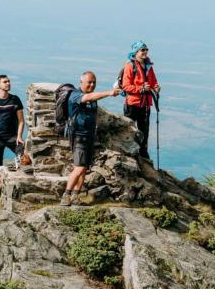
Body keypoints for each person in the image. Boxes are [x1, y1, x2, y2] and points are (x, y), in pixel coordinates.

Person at [60, 71, 120, 206]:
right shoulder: (75, 95)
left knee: (85, 168)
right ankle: (66, 195)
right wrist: (109, 93)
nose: (92, 85)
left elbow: (92, 101)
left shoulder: (92, 100)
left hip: (89, 136)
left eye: (94, 82)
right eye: (89, 82)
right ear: (81, 82)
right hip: (78, 137)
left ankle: (76, 196)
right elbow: (88, 97)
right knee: (79, 167)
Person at [121, 40, 160, 160]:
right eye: (142, 50)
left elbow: (153, 82)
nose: (145, 52)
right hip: (132, 103)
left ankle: (143, 153)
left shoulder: (148, 66)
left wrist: (156, 88)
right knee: (130, 129)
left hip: (145, 104)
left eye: (146, 50)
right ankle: (129, 152)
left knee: (144, 130)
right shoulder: (130, 66)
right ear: (136, 52)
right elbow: (125, 86)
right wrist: (141, 88)